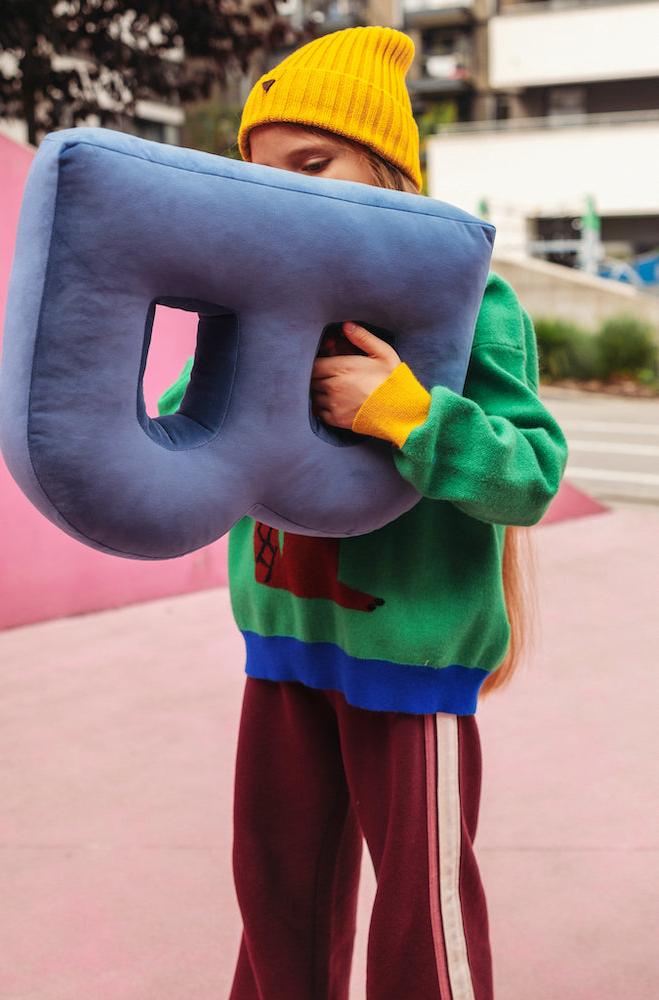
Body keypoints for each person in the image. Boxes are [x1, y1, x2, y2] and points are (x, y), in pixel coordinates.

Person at [159, 25, 568, 1000]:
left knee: (420, 921)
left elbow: (532, 475)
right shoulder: (257, 305)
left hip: (409, 665)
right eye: (266, 174)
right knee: (275, 902)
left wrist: (408, 416)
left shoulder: (472, 300)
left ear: (387, 165)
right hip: (285, 643)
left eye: (315, 162)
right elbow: (185, 435)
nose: (291, 191)